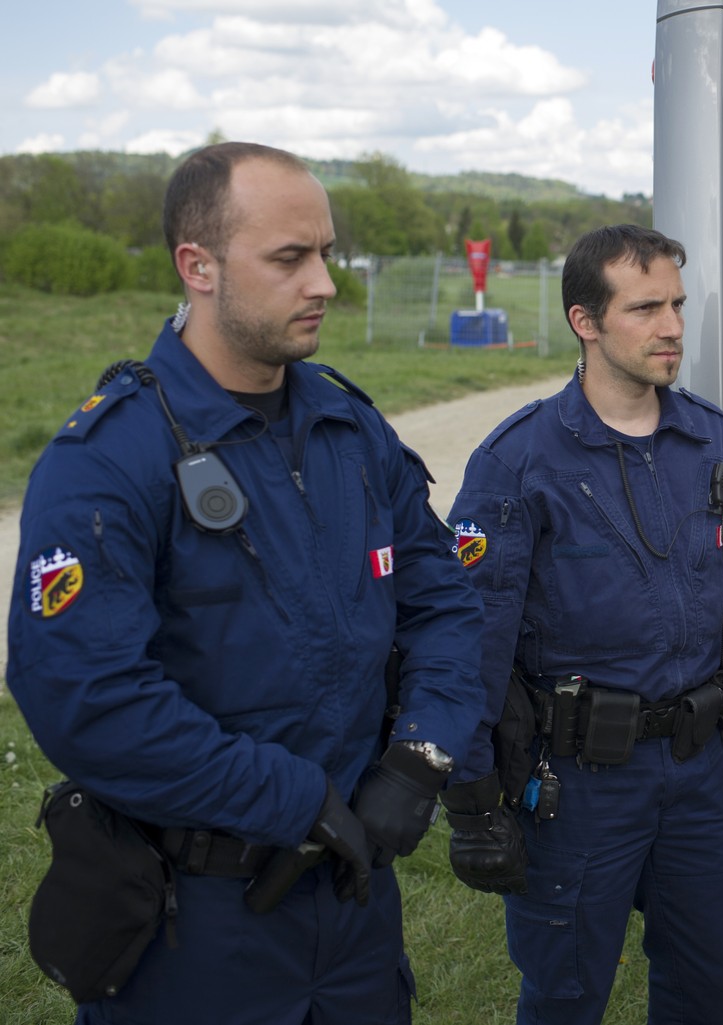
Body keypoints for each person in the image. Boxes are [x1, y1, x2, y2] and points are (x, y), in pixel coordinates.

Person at [7, 141, 486, 1024]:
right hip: (192, 925)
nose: (325, 285)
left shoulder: (352, 431)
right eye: (289, 258)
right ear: (199, 265)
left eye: (326, 254)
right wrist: (297, 799)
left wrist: (419, 759)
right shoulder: (111, 459)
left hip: (352, 912)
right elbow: (86, 697)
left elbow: (445, 604)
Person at [441, 224, 723, 1025]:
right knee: (565, 995)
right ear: (585, 321)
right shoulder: (519, 461)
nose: (671, 326)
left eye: (676, 303)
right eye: (644, 308)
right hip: (577, 786)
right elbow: (472, 638)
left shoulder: (709, 438)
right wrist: (471, 795)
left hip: (699, 773)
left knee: (706, 986)